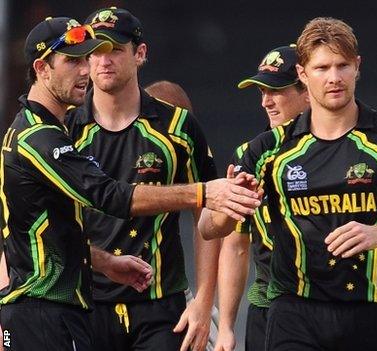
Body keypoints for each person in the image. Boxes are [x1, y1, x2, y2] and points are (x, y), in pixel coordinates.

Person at [0, 16, 259, 351]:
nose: (88, 69)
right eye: (75, 60)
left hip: (127, 304)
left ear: (140, 54)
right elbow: (108, 196)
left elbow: (55, 228)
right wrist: (204, 193)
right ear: (41, 68)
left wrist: (107, 262)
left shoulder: (174, 126)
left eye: (91, 56)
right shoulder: (46, 137)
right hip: (48, 310)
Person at [233, 17, 377, 351]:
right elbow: (215, 230)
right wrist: (224, 201)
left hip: (372, 310)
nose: (334, 78)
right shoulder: (267, 149)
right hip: (295, 310)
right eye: (322, 68)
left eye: (343, 65)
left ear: (357, 67)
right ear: (302, 74)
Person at [65, 7, 235, 351]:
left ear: (139, 54)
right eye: (94, 51)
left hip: (161, 305)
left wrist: (204, 301)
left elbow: (206, 215)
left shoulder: (178, 128)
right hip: (82, 303)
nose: (103, 61)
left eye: (114, 49)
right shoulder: (64, 130)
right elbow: (30, 214)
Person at [214, 45, 309, 351]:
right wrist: (227, 327)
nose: (266, 101)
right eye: (262, 91)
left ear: (307, 90)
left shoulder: (352, 148)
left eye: (276, 90)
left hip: (339, 303)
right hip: (269, 304)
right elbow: (235, 243)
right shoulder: (250, 154)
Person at [144, 79, 221, 351]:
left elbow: (209, 214)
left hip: (166, 294)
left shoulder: (185, 138)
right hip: (93, 297)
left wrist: (203, 299)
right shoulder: (90, 138)